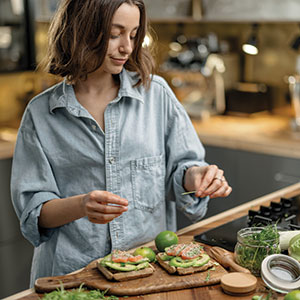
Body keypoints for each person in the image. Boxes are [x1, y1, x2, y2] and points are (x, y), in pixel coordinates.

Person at [11, 0, 232, 286]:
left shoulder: (156, 95)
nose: (127, 47)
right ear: (82, 31)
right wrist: (81, 205)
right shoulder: (41, 114)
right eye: (115, 34)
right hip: (72, 278)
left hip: (147, 273)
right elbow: (33, 212)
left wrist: (195, 177)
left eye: (133, 34)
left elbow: (182, 168)